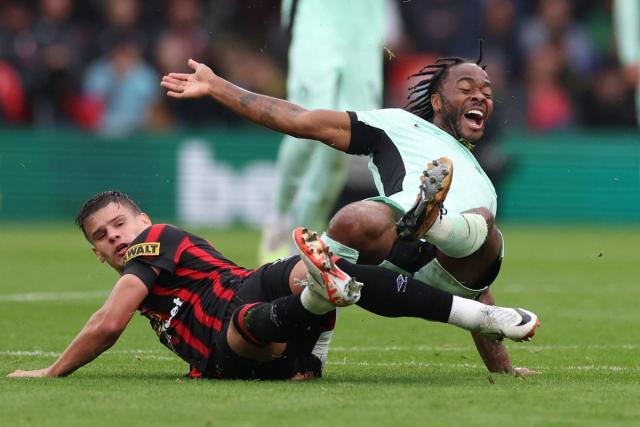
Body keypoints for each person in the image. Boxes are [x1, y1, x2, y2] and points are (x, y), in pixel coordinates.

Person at [159, 44, 535, 375]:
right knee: (353, 218)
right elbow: (300, 120)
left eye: (487, 92)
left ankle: (432, 222)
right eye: (466, 89)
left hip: (453, 261)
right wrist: (216, 86)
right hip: (393, 246)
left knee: (485, 228)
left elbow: (479, 291)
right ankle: (316, 334)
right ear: (437, 102)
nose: (481, 97)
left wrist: (504, 369)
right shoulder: (397, 124)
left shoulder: (484, 184)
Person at [7, 191, 538, 380]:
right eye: (102, 237)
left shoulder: (154, 243)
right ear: (96, 252)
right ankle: (319, 301)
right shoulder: (152, 271)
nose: (116, 237)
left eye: (120, 224)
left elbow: (108, 323)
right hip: (262, 347)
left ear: (142, 220)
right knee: (295, 294)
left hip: (236, 308)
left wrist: (52, 371)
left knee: (265, 310)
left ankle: (319, 291)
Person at [259, 0, 384, 264]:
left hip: (363, 35)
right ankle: (278, 219)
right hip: (316, 25)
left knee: (346, 139)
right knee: (304, 124)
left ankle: (305, 235)